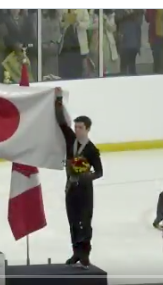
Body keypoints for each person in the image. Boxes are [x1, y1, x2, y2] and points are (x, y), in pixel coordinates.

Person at [54, 87, 103, 269]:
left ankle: (85, 255)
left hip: (85, 190)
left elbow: (99, 171)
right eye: (76, 127)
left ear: (88, 129)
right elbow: (60, 121)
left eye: (80, 127)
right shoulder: (70, 139)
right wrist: (58, 99)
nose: (77, 130)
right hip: (70, 188)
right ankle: (75, 252)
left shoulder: (91, 150)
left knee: (85, 223)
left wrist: (86, 177)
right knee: (73, 222)